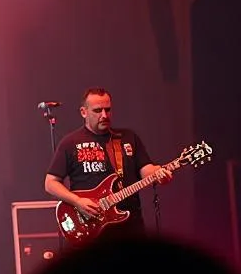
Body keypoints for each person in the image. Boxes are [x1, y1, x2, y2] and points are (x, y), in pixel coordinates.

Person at [44, 86, 172, 236]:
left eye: (108, 109)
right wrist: (77, 202)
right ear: (83, 112)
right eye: (97, 111)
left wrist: (159, 173)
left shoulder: (127, 138)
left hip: (130, 226)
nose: (104, 115)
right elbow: (50, 183)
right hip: (92, 226)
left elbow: (146, 170)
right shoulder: (70, 143)